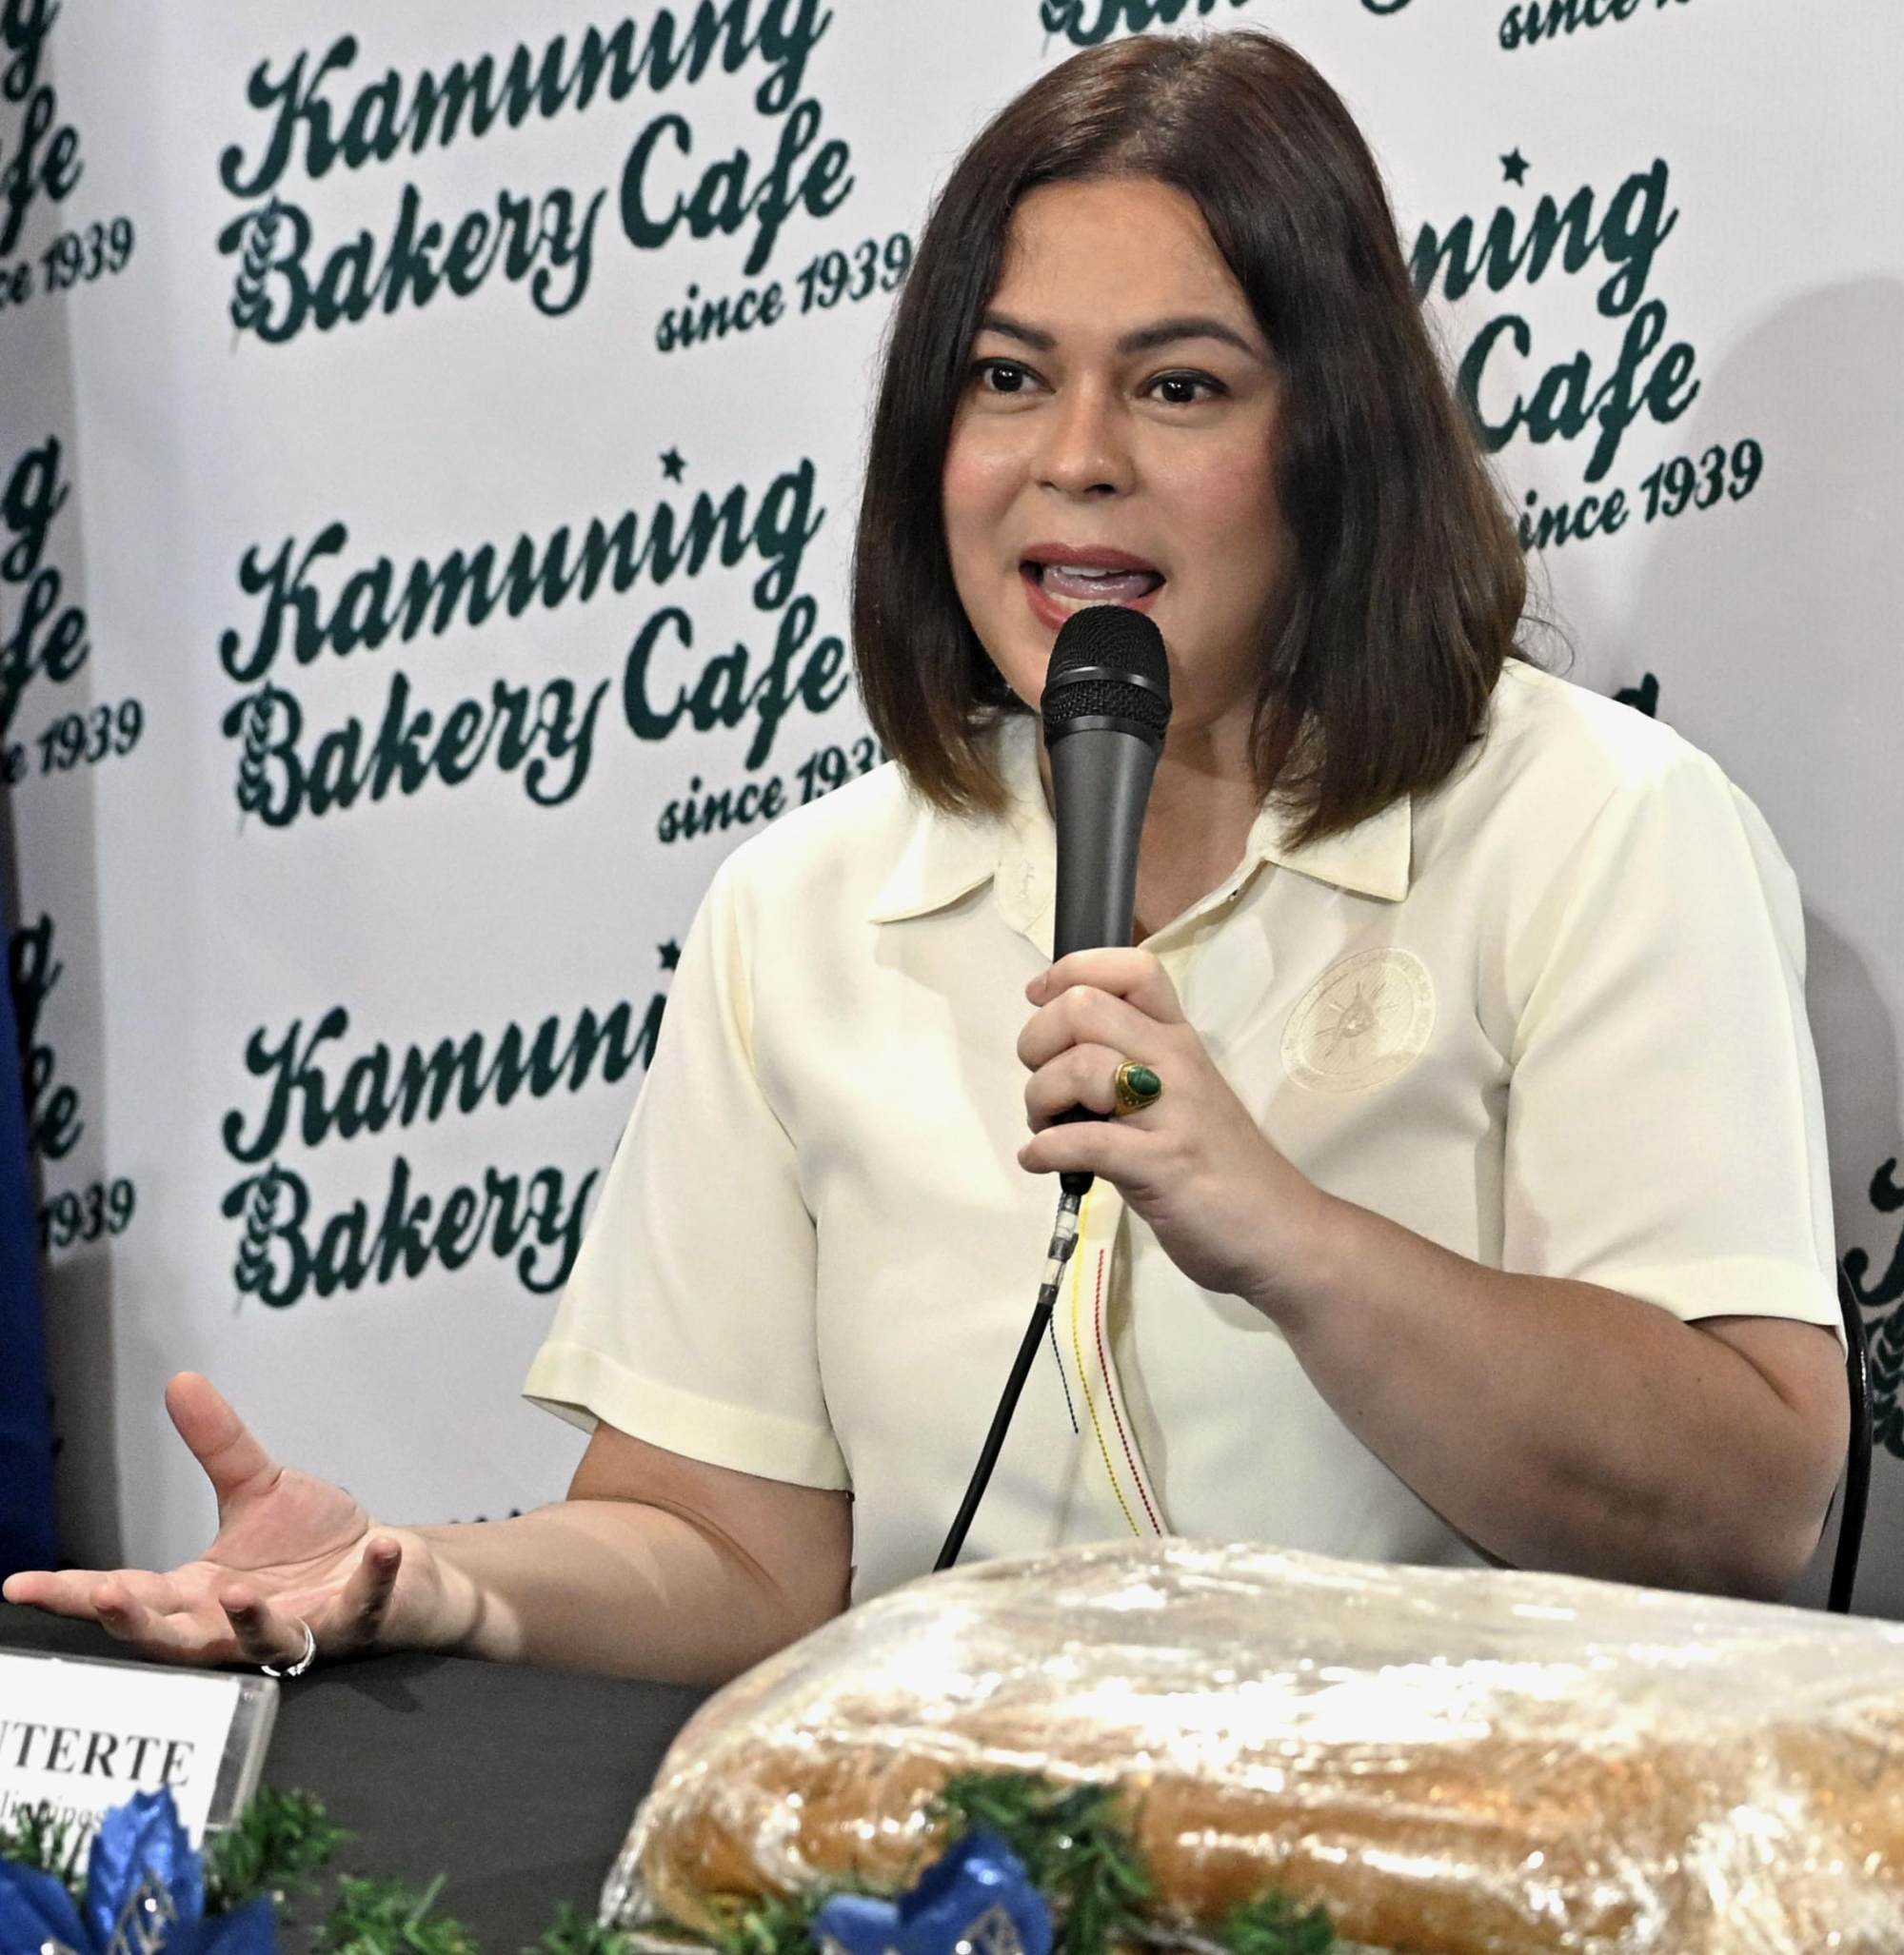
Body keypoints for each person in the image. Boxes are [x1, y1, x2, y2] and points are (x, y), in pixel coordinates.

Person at [3, 31, 1847, 1681]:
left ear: (1336, 439)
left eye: (1180, 387)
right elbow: (729, 1548)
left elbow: (1748, 1501)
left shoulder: (1593, 823)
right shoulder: (804, 907)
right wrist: (426, 1583)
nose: (1075, 458)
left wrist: (1282, 1233)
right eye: (1006, 377)